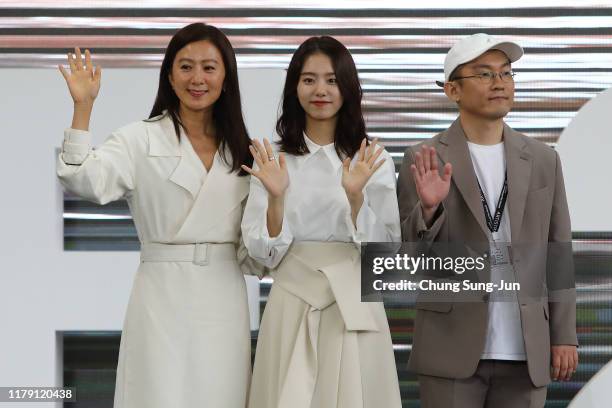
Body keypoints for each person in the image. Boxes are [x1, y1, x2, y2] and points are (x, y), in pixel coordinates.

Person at [56, 23, 262, 408]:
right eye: (185, 67)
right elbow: (85, 179)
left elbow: (258, 247)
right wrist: (83, 107)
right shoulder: (140, 138)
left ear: (226, 76)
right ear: (169, 74)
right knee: (157, 394)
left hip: (224, 298)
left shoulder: (244, 152)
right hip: (160, 297)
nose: (197, 78)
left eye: (209, 67)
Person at [396, 33, 578, 408]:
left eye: (506, 73)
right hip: (450, 346)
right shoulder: (422, 157)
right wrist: (428, 210)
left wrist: (565, 336)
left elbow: (557, 253)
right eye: (484, 74)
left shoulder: (544, 159)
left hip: (527, 349)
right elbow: (409, 261)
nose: (499, 83)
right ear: (452, 90)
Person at [240, 36, 402, 408]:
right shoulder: (272, 158)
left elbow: (387, 254)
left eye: (332, 80)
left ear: (348, 88)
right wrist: (277, 198)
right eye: (309, 79)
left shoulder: (372, 157)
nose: (321, 90)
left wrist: (356, 198)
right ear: (294, 86)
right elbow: (261, 253)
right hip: (290, 300)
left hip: (353, 306)